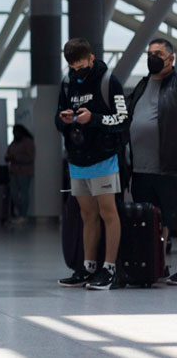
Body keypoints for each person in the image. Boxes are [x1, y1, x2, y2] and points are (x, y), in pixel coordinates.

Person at [55, 38, 127, 290]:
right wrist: (66, 119)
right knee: (87, 215)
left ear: (91, 57)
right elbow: (57, 119)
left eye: (81, 66)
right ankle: (88, 266)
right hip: (77, 158)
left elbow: (121, 119)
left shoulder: (109, 82)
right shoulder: (67, 84)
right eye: (72, 67)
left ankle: (109, 268)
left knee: (108, 212)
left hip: (104, 158)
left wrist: (93, 118)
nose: (77, 72)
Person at [126, 38, 177, 285]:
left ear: (171, 58)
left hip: (168, 166)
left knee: (172, 217)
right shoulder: (142, 85)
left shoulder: (175, 85)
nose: (152, 58)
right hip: (141, 167)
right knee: (149, 220)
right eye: (149, 53)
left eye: (157, 53)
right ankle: (155, 265)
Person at [6, 124, 35, 223]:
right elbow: (8, 152)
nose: (14, 134)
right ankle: (19, 213)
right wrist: (9, 157)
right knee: (13, 194)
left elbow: (30, 157)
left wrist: (16, 158)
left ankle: (23, 215)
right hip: (13, 171)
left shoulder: (28, 142)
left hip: (24, 172)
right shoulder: (14, 142)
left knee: (24, 194)